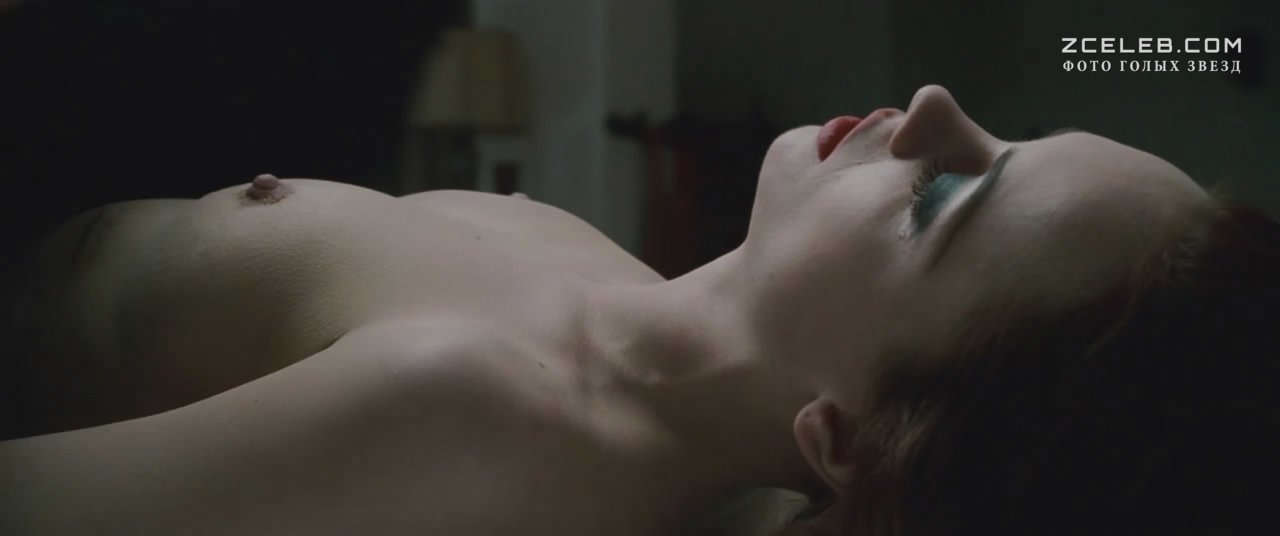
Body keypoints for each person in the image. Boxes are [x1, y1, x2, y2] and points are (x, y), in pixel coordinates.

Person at [1, 84, 1276, 535]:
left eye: (940, 200)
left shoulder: (470, 413)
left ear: (838, 433)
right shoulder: (623, 299)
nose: (934, 107)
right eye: (1014, 132)